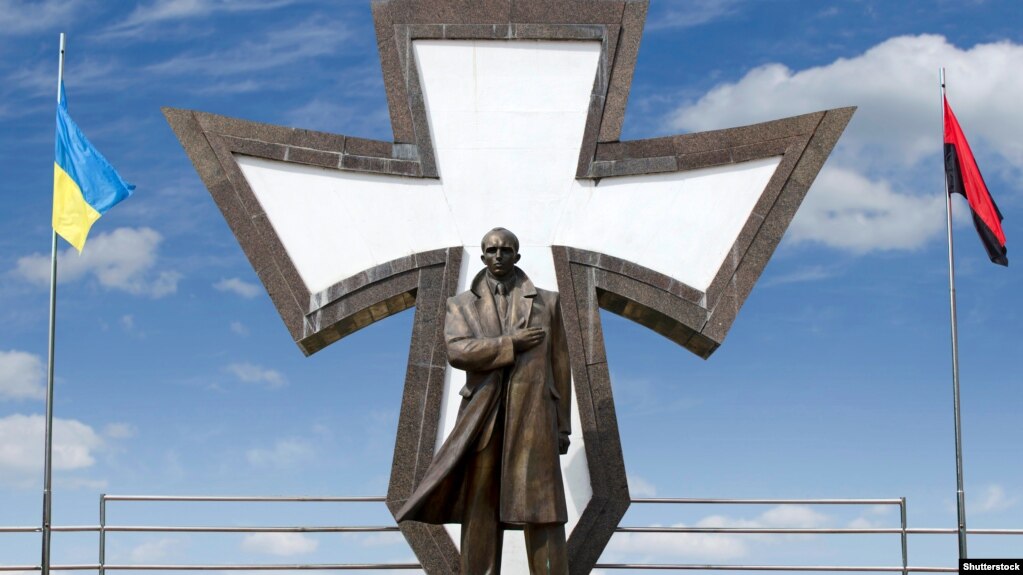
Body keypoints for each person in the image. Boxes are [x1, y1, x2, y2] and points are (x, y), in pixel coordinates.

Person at [396, 227, 572, 574]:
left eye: (506, 250)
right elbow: (457, 351)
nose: (498, 256)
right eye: (491, 250)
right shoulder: (460, 304)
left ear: (516, 256)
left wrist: (562, 426)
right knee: (480, 508)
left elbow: (560, 365)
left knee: (542, 508)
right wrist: (510, 344)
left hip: (533, 417)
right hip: (483, 419)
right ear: (482, 256)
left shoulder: (548, 302)